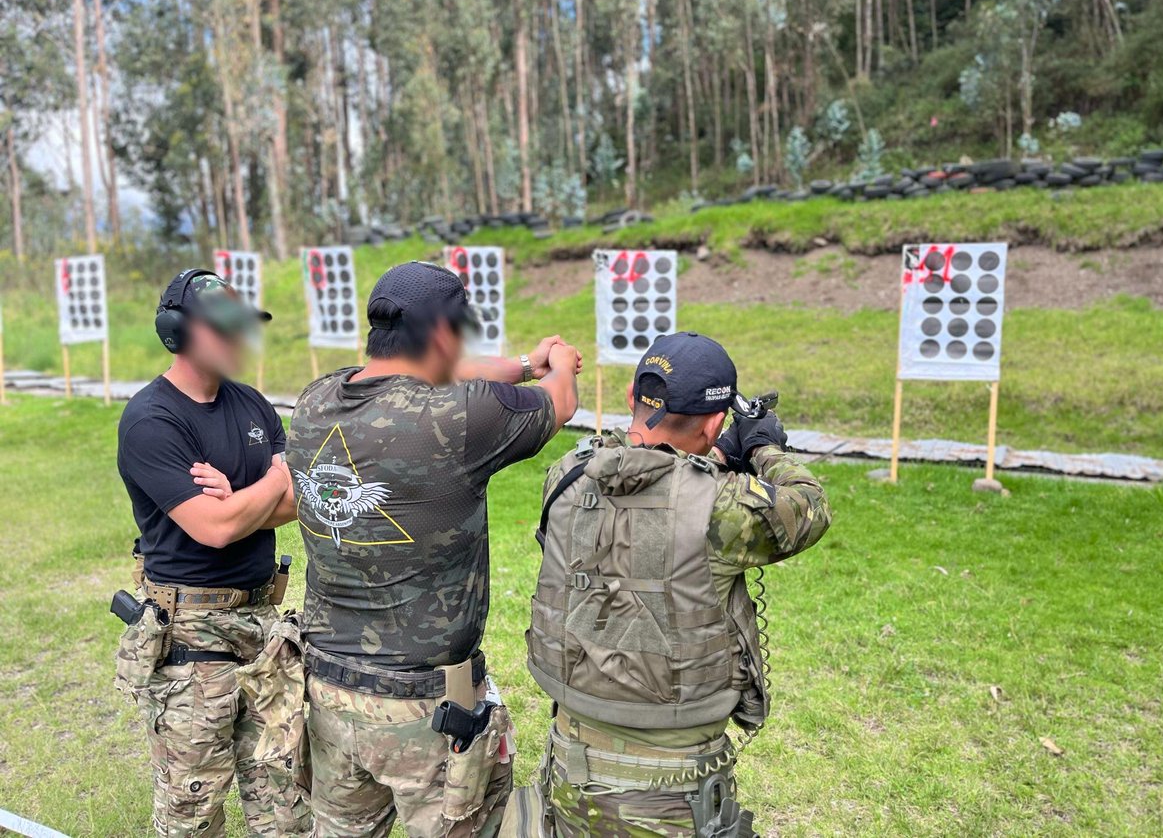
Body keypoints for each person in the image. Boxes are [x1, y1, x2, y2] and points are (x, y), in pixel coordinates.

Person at [286, 261, 581, 838]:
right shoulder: (459, 416)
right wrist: (560, 364)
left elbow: (443, 374)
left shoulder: (315, 400)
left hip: (327, 690)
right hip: (427, 706)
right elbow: (560, 403)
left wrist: (524, 362)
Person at [507, 331, 832, 838]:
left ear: (631, 397)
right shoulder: (724, 509)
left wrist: (714, 453)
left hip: (570, 766)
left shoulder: (566, 475)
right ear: (716, 422)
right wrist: (761, 445)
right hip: (671, 794)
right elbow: (808, 505)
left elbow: (640, 471)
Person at [114, 269, 312, 837]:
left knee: (288, 803)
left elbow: (298, 501)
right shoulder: (151, 420)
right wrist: (270, 482)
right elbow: (216, 528)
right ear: (177, 332)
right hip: (190, 637)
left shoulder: (252, 405)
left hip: (262, 624)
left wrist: (241, 497)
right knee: (192, 814)